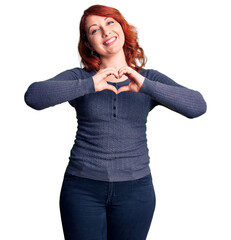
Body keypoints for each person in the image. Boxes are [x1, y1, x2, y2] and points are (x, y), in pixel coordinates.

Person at [24, 4, 207, 240]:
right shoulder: (80, 78)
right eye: (94, 30)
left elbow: (197, 107)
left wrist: (145, 85)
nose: (105, 31)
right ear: (89, 44)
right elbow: (33, 97)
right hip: (82, 189)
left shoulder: (147, 78)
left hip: (136, 191)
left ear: (122, 27)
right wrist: (90, 85)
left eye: (110, 22)